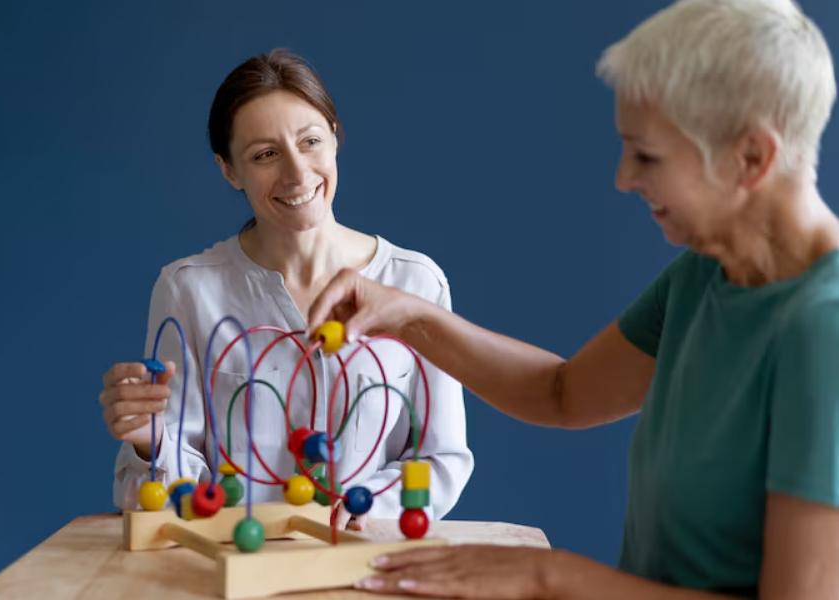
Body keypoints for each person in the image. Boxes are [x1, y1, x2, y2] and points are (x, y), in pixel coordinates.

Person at [309, 0, 839, 596]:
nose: (623, 178)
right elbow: (561, 393)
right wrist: (404, 314)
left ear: (752, 157)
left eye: (647, 155)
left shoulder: (823, 330)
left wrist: (549, 574)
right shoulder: (705, 274)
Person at [99, 49, 473, 529]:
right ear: (229, 170)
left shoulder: (415, 282)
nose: (297, 174)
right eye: (265, 155)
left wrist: (364, 507)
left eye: (310, 141)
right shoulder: (188, 290)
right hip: (233, 565)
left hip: (367, 562)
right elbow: (159, 496)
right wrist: (149, 444)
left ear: (334, 138)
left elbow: (441, 459)